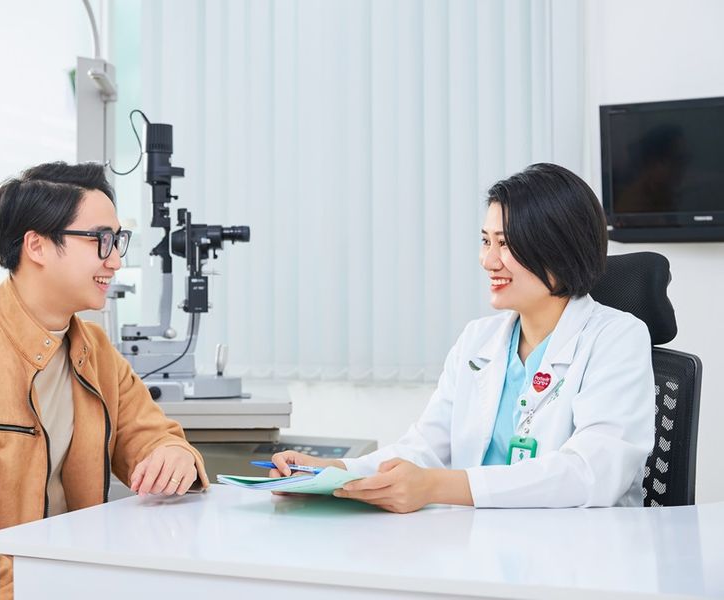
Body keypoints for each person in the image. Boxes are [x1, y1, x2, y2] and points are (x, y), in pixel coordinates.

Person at [0, 162, 209, 599]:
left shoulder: (96, 351)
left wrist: (173, 455)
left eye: (118, 240)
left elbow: (151, 436)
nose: (116, 260)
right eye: (101, 240)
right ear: (37, 246)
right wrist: (52, 588)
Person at [270, 163, 654, 513]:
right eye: (486, 241)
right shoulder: (478, 341)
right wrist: (334, 473)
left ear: (559, 249)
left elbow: (592, 472)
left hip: (577, 552)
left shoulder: (617, 339)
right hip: (477, 544)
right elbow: (424, 449)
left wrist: (436, 486)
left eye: (506, 243)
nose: (489, 261)